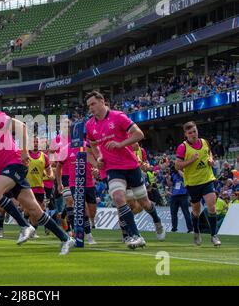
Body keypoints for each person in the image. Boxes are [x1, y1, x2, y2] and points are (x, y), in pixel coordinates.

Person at [0, 98, 75, 255]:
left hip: (15, 162)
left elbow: (21, 127)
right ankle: (65, 239)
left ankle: (25, 226)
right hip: (5, 170)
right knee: (35, 210)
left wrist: (25, 151)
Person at [85, 91, 164, 249]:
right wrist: (99, 158)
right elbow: (92, 145)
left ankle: (156, 220)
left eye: (93, 104)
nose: (91, 108)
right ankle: (135, 235)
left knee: (144, 202)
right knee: (119, 198)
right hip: (111, 168)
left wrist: (120, 144)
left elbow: (139, 134)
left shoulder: (118, 116)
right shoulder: (89, 125)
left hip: (130, 165)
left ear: (103, 102)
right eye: (88, 106)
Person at [175, 121, 221, 247]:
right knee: (196, 210)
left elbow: (209, 153)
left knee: (211, 207)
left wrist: (211, 159)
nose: (193, 134)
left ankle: (214, 235)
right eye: (190, 133)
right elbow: (177, 165)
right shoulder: (183, 147)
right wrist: (191, 160)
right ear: (186, 134)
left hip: (207, 179)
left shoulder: (204, 142)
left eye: (194, 131)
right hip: (192, 183)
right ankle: (196, 231)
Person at [166, 164, 193, 233]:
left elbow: (184, 176)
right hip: (174, 195)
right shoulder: (173, 174)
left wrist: (178, 170)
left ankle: (190, 229)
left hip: (183, 195)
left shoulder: (184, 172)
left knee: (186, 212)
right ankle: (174, 228)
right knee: (173, 213)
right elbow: (170, 184)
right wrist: (167, 177)